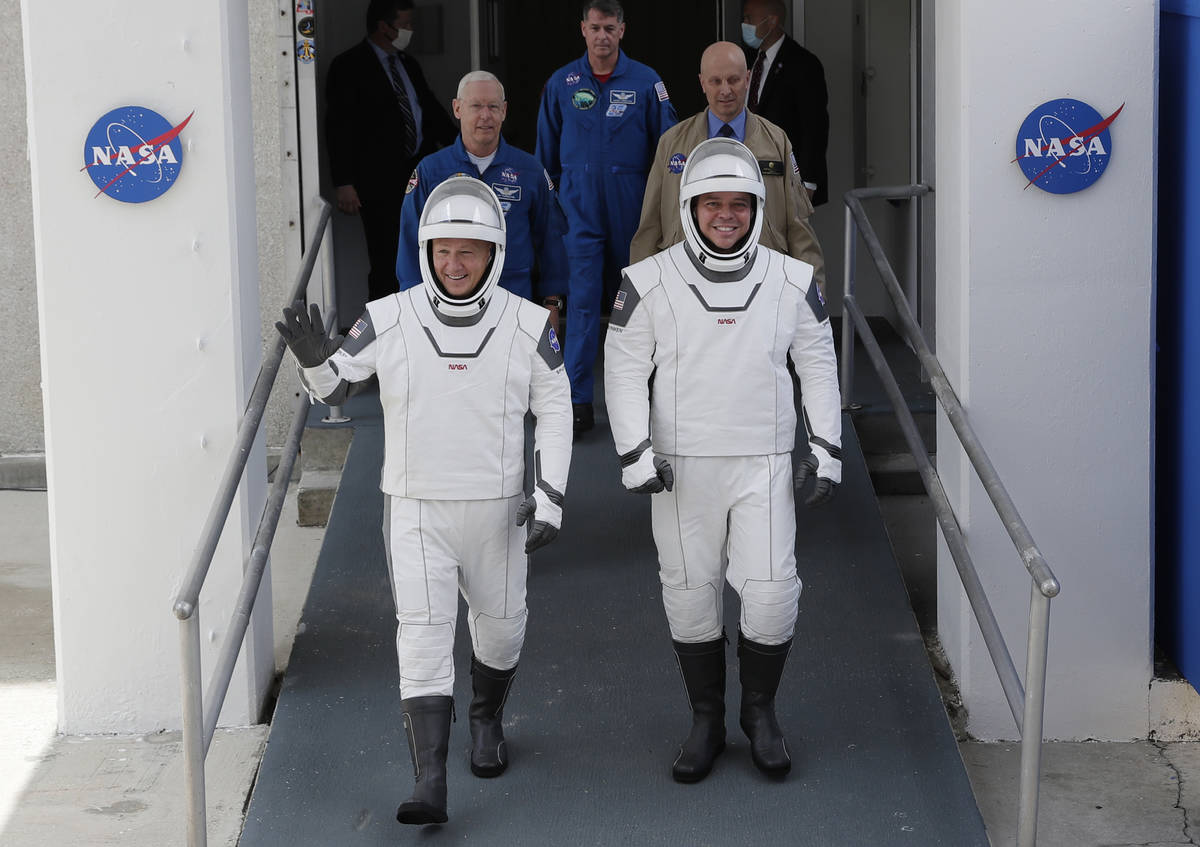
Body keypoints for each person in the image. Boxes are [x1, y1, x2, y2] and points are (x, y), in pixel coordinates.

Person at [276, 177, 572, 825]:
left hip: (498, 508)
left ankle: (487, 716)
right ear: (425, 248)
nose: (454, 264)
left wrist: (549, 496)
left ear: (494, 253)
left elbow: (556, 408)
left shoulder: (527, 323)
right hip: (413, 507)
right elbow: (334, 387)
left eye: (469, 251)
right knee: (424, 633)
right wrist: (310, 359)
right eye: (442, 250)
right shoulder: (388, 316)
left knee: (501, 625)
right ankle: (430, 778)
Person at [604, 138, 840, 784]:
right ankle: (705, 717)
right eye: (713, 204)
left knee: (771, 595)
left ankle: (759, 711)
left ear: (760, 207)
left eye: (740, 204)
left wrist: (826, 446)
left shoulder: (792, 280)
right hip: (680, 468)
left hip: (762, 462)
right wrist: (634, 452)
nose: (727, 216)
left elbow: (817, 361)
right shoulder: (647, 280)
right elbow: (624, 368)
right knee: (689, 595)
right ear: (690, 207)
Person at [535, 0, 676, 435]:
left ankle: (645, 401)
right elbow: (545, 158)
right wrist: (558, 207)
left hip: (633, 213)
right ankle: (578, 403)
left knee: (639, 307)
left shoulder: (647, 81)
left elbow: (668, 149)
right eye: (595, 27)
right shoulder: (562, 83)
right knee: (579, 304)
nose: (602, 36)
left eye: (609, 28)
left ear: (622, 30)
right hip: (579, 215)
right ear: (582, 29)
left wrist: (660, 210)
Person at [628, 41, 825, 294]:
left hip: (763, 283)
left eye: (733, 80)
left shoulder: (776, 141)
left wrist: (815, 298)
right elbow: (650, 228)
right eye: (715, 81)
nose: (725, 90)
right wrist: (640, 296)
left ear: (748, 79)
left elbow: (800, 230)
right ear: (702, 83)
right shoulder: (672, 143)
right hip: (685, 283)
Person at [397, 71, 569, 331]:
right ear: (457, 108)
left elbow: (550, 242)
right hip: (446, 306)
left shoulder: (530, 171)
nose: (485, 115)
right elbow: (411, 243)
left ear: (504, 111)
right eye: (476, 106)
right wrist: (413, 309)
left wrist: (552, 305)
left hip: (513, 302)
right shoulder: (431, 171)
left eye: (493, 107)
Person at [325, 0, 456, 303]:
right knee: (386, 258)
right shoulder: (349, 66)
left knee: (423, 253)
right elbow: (339, 127)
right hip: (377, 181)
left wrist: (461, 148)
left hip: (418, 175)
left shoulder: (407, 64)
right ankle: (384, 335)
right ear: (384, 26)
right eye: (406, 24)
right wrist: (343, 181)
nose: (411, 31)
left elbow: (430, 112)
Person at [742, 0, 830, 206]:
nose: (744, 24)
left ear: (771, 21)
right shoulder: (748, 58)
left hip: (786, 180)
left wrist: (807, 184)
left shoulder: (803, 64)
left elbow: (814, 129)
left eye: (749, 19)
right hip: (748, 174)